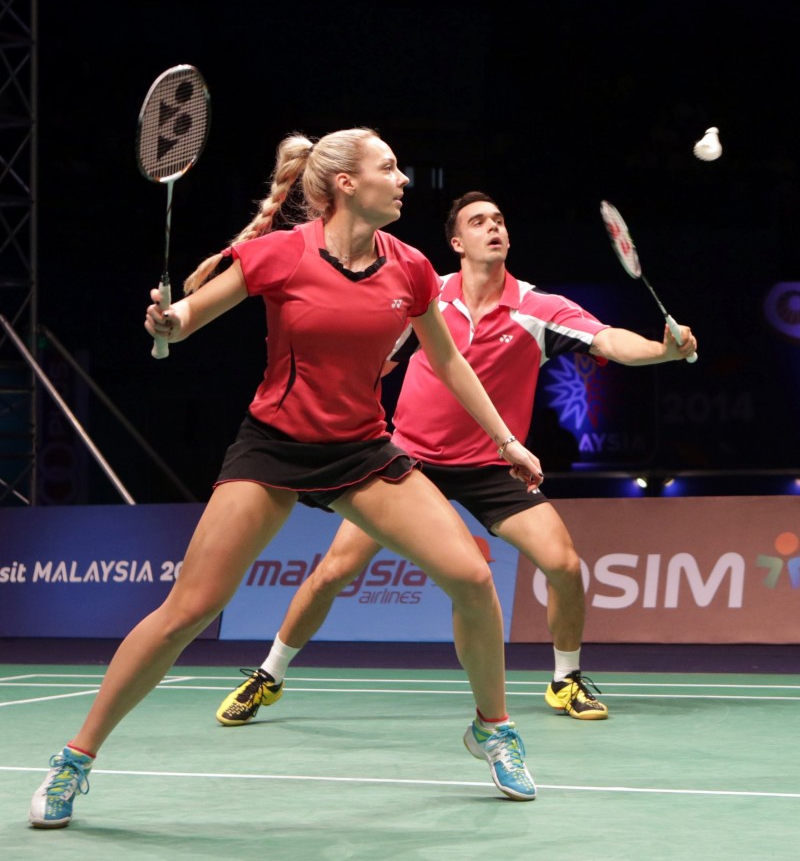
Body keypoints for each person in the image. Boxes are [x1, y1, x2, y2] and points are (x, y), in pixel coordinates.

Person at [28, 133, 547, 830]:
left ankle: (492, 726)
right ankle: (75, 758)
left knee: (474, 579)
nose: (402, 181)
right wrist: (166, 321)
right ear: (344, 186)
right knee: (188, 611)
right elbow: (188, 319)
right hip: (273, 449)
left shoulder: (413, 268)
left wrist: (508, 441)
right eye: (388, 169)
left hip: (361, 452)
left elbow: (451, 364)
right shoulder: (281, 253)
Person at [214, 191, 698, 727]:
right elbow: (371, 357)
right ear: (456, 242)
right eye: (477, 221)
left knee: (563, 564)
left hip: (494, 463)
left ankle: (566, 680)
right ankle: (269, 674)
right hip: (406, 460)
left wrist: (662, 350)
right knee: (335, 571)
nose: (492, 227)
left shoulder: (539, 309)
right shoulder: (423, 294)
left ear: (507, 238)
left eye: (498, 219)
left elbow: (606, 341)